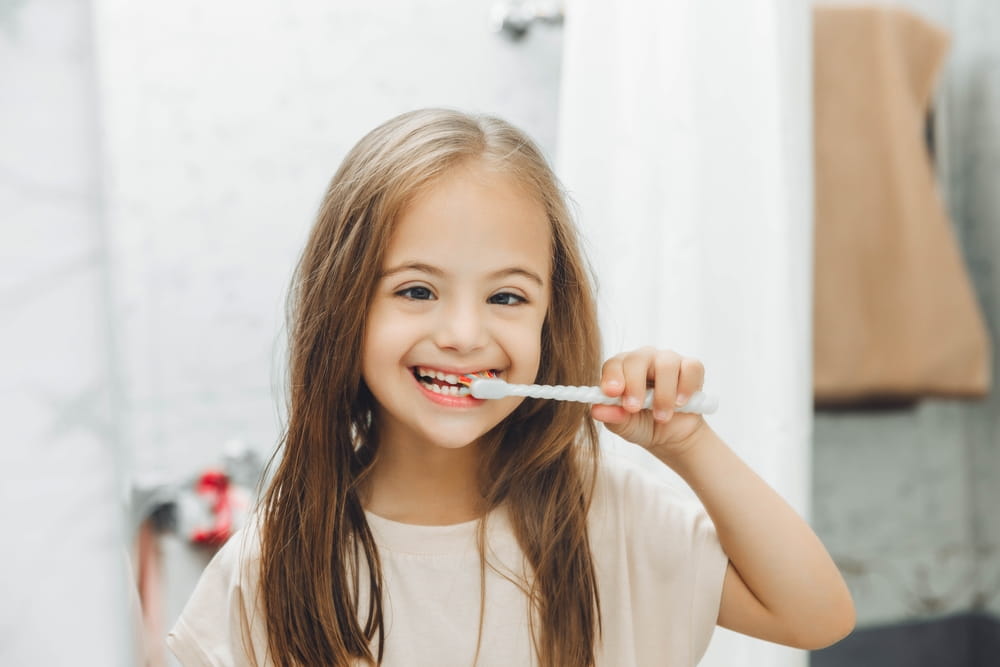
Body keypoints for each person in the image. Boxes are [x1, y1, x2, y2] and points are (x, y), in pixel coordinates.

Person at [166, 108, 855, 667]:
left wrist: (688, 443)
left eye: (506, 296)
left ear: (550, 319)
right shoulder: (270, 567)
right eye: (416, 289)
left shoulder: (602, 514)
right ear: (344, 304)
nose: (464, 332)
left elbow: (815, 614)